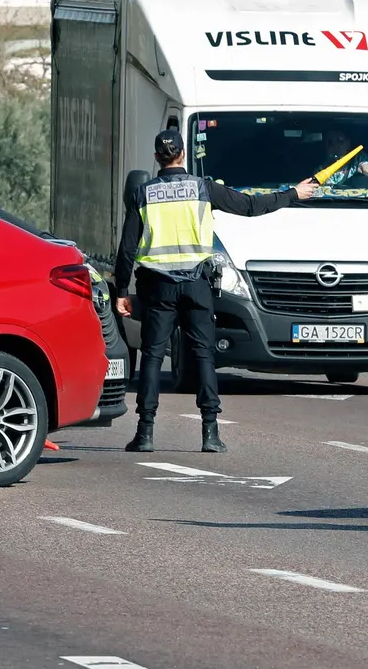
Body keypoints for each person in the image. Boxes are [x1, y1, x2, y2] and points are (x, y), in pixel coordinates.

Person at [113, 127, 319, 453]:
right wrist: (292, 194)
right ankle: (210, 433)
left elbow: (126, 250)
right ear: (182, 155)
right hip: (197, 286)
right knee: (204, 357)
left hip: (159, 288)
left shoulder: (144, 194)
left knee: (152, 357)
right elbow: (251, 206)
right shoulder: (204, 189)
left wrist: (122, 290)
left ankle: (145, 433)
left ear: (157, 158)